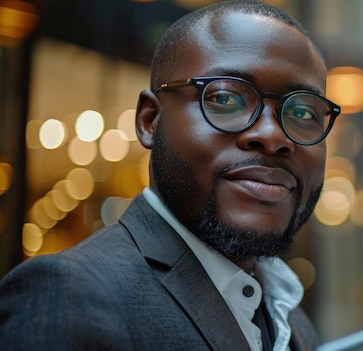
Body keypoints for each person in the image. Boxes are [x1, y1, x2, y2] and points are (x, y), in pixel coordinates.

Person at [0, 1, 341, 350]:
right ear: (150, 120)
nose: (273, 136)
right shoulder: (69, 294)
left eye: (302, 111)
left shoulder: (288, 315)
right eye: (226, 98)